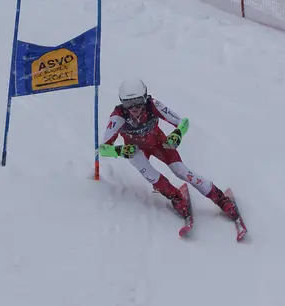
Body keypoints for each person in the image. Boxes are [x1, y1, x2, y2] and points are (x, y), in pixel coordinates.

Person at [98, 78, 238, 220]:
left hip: (160, 144)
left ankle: (221, 199)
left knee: (182, 172)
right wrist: (121, 150)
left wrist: (178, 133)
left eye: (138, 101)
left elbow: (183, 122)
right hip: (136, 151)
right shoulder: (118, 116)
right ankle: (176, 198)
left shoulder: (152, 105)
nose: (134, 108)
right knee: (153, 177)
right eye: (128, 103)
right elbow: (103, 149)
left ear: (145, 97)